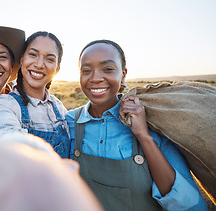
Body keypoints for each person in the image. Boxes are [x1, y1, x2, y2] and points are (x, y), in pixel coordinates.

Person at [65, 40, 208, 210]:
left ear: (123, 74)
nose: (95, 78)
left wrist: (143, 136)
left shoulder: (152, 122)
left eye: (108, 69)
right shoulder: (69, 122)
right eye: (86, 70)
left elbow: (188, 205)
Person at [0, 31, 70, 158]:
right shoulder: (3, 105)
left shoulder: (59, 107)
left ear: (57, 69)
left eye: (49, 59)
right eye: (33, 54)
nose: (39, 64)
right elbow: (4, 142)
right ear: (22, 60)